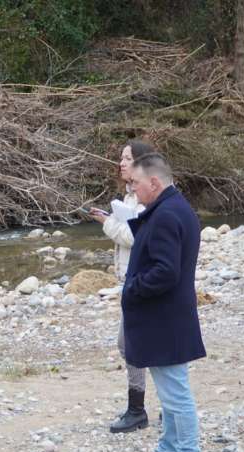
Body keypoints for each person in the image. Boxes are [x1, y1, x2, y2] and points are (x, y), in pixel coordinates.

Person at [121, 154, 207, 452]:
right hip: (169, 318)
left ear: (154, 182)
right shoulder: (173, 208)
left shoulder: (167, 214)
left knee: (176, 395)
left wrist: (132, 288)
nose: (133, 189)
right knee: (170, 392)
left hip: (165, 319)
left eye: (136, 183)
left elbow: (165, 271)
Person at [89, 140, 156, 433]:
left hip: (142, 281)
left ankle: (139, 409)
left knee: (132, 344)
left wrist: (107, 223)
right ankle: (145, 407)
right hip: (132, 281)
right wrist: (110, 219)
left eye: (127, 158)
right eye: (121, 158)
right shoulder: (130, 195)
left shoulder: (146, 195)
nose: (121, 163)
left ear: (141, 163)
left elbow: (134, 237)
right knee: (134, 344)